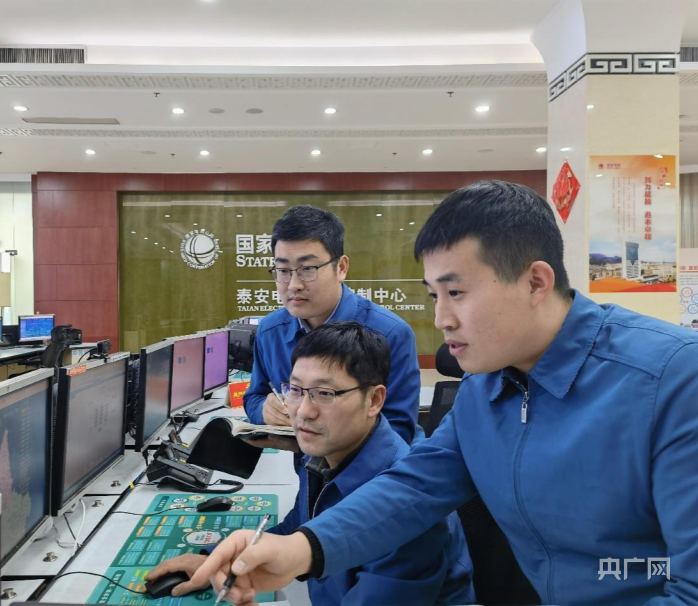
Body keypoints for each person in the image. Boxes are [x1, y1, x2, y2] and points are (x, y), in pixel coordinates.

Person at [193, 181, 698, 606]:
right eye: (434, 295)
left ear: (535, 282)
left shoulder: (674, 380)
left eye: (456, 293)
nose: (441, 319)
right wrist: (303, 549)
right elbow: (416, 486)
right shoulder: (487, 386)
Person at [146, 322, 474, 605]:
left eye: (324, 394)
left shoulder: (407, 511)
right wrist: (218, 560)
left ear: (374, 400)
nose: (303, 411)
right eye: (295, 390)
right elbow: (296, 530)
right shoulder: (321, 455)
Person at [244, 205, 423, 446]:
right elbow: (254, 397)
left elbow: (399, 428)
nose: (294, 284)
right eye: (283, 270)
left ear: (341, 268)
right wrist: (264, 410)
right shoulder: (270, 331)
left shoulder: (390, 333)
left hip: (370, 467)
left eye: (308, 269)